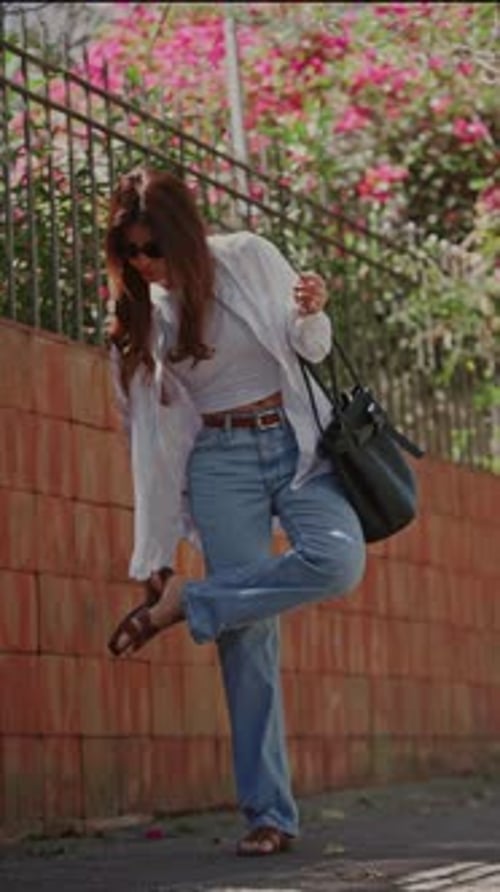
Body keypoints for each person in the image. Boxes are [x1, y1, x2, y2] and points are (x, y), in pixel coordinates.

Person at [105, 167, 366, 856]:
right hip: (219, 466)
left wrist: (313, 310)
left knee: (338, 561)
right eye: (129, 250)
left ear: (184, 233)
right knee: (247, 640)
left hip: (295, 445)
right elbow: (152, 451)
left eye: (153, 246)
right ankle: (269, 814)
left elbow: (310, 348)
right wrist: (156, 556)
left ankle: (196, 603)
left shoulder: (248, 255)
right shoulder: (141, 318)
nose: (143, 262)